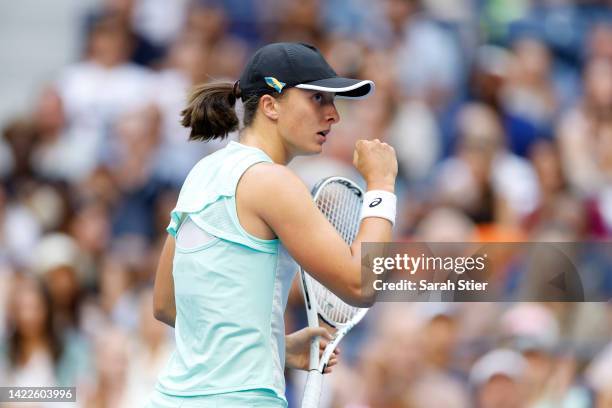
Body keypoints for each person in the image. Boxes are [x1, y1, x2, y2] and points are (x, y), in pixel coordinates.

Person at [149, 42, 398, 407]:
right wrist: (382, 184)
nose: (333, 115)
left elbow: (166, 304)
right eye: (317, 99)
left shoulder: (202, 174)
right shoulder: (272, 181)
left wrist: (273, 346)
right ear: (270, 105)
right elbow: (360, 283)